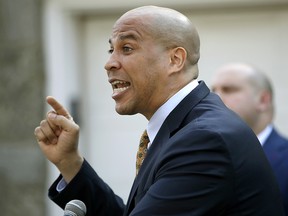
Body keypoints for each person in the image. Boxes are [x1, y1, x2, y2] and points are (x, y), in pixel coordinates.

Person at [34, 6, 285, 216]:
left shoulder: (205, 139)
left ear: (174, 60)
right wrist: (69, 161)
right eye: (111, 49)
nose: (109, 62)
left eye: (127, 48)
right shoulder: (184, 128)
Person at [211, 62, 288, 215]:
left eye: (228, 90)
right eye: (213, 91)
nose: (214, 98)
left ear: (263, 100)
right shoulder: (203, 156)